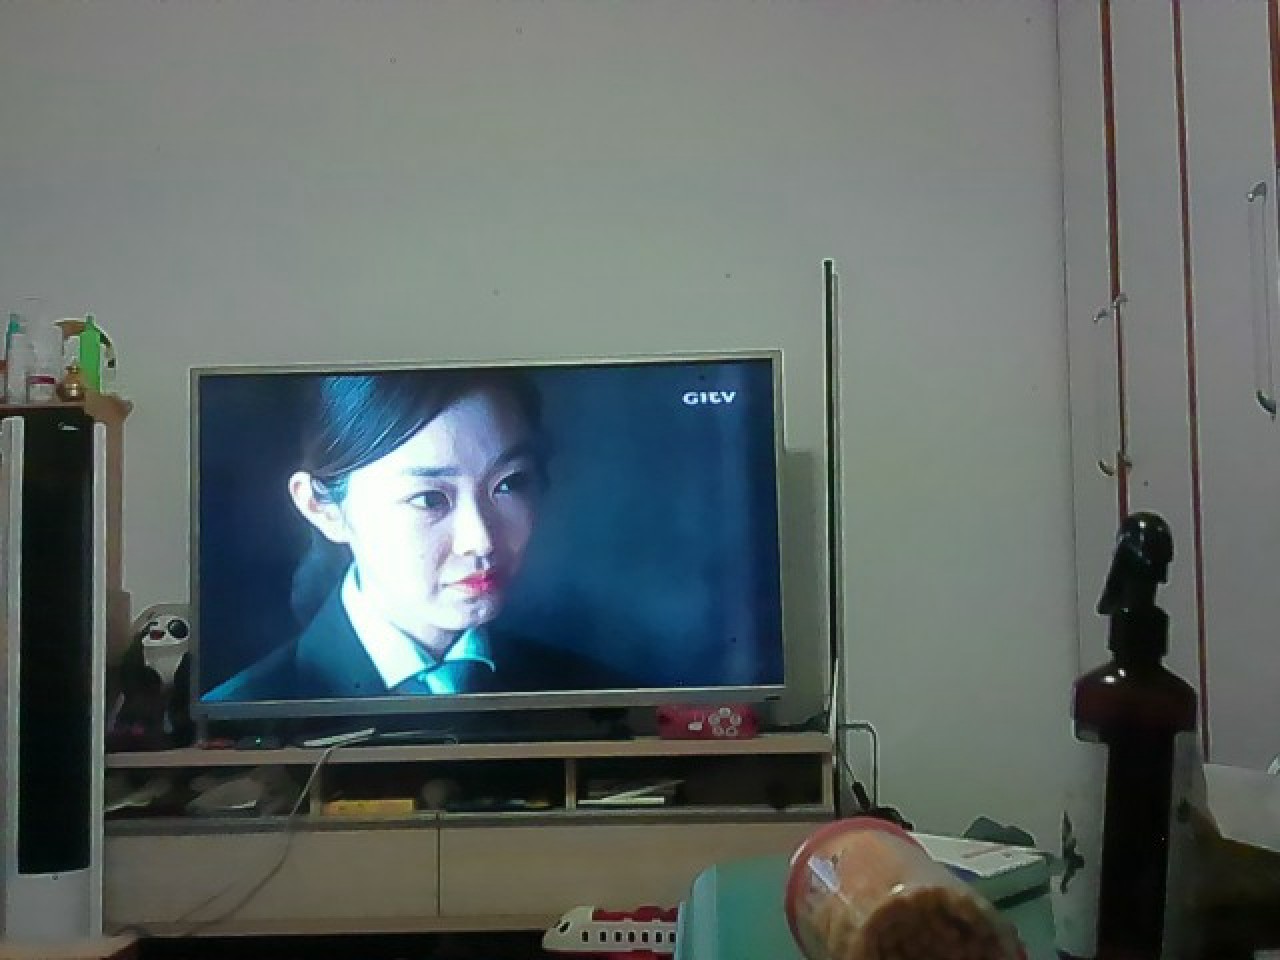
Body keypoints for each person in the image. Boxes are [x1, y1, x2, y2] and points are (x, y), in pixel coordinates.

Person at [203, 368, 619, 702]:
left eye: (509, 483)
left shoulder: (594, 694)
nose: (481, 540)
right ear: (322, 507)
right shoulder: (249, 712)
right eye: (429, 499)